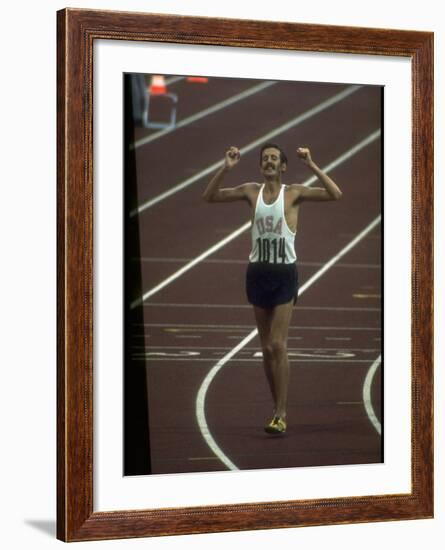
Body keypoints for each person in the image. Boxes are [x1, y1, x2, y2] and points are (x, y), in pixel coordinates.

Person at [202, 143, 342, 434]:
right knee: (266, 349)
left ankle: (281, 412)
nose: (268, 162)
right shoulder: (251, 191)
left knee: (278, 344)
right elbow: (210, 196)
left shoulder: (294, 193)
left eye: (274, 158)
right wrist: (225, 169)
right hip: (257, 273)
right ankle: (275, 407)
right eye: (264, 158)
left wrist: (313, 165)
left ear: (283, 166)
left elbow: (335, 194)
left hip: (284, 274)